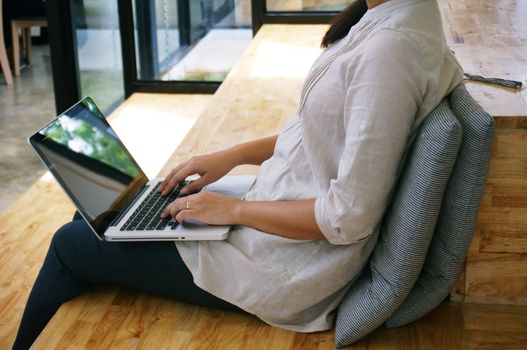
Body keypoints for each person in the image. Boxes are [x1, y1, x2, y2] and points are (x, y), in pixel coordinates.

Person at [13, 0, 463, 348]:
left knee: (69, 245)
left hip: (283, 264)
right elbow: (320, 135)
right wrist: (232, 156)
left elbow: (348, 216)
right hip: (272, 226)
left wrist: (233, 209)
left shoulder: (392, 49)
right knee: (103, 219)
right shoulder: (389, 19)